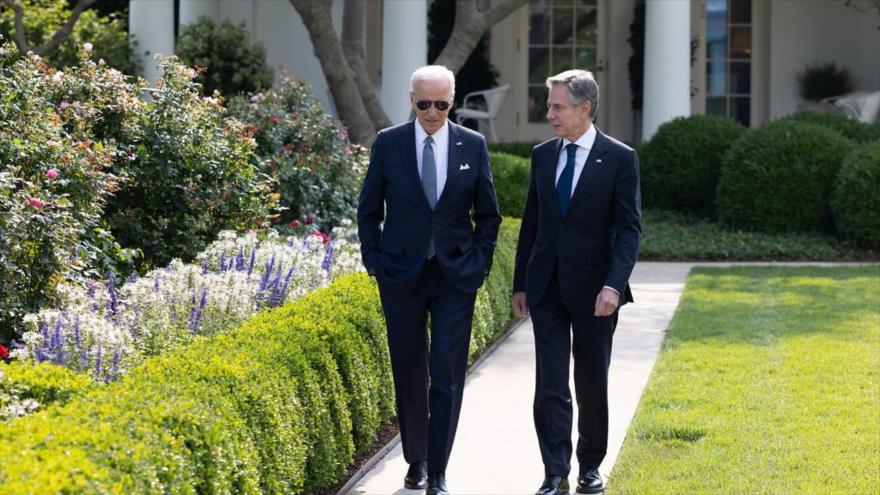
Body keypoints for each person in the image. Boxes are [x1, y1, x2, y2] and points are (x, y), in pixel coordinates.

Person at [357, 65, 501, 495]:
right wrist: (374, 261)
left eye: (441, 103)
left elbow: (489, 215)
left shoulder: (472, 145)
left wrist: (479, 262)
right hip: (400, 275)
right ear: (411, 100)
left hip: (455, 275)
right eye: (424, 103)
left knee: (447, 371)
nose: (433, 112)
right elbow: (368, 210)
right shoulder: (389, 144)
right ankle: (416, 460)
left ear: (452, 101)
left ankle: (439, 469)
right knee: (408, 369)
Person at [512, 69, 641, 495]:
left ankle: (589, 465)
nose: (549, 113)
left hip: (595, 292)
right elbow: (532, 222)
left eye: (557, 106)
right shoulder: (543, 155)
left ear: (585, 109)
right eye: (549, 105)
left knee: (590, 380)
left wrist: (613, 285)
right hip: (546, 287)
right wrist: (520, 284)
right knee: (550, 382)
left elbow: (628, 230)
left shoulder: (620, 158)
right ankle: (554, 471)